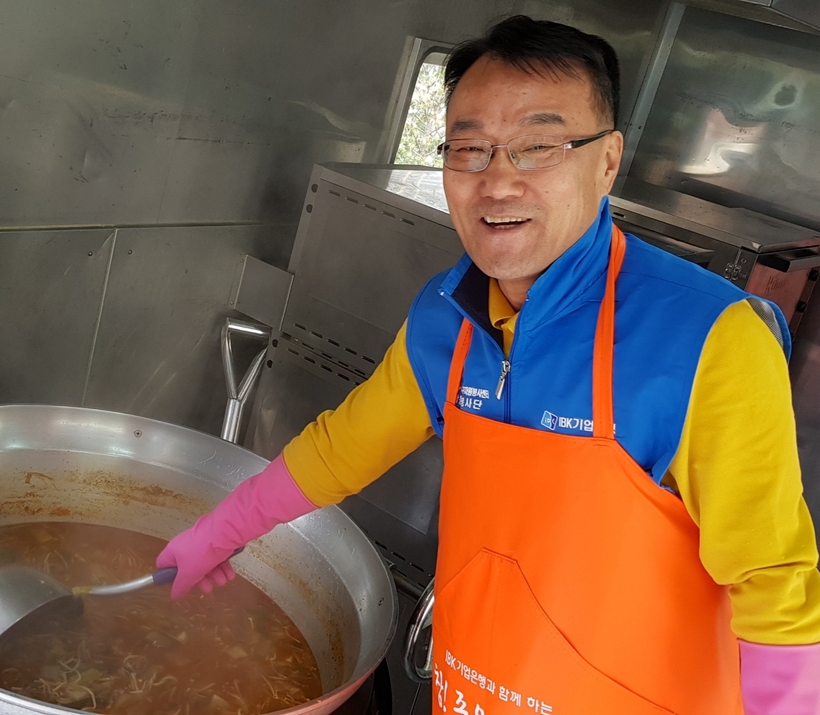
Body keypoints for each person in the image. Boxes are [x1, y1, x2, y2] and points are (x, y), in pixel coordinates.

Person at [157, 15, 820, 715]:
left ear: (607, 159)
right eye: (470, 148)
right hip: (471, 694)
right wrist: (218, 532)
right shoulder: (446, 317)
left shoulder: (710, 338)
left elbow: (777, 589)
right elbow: (338, 450)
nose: (498, 181)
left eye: (538, 146)